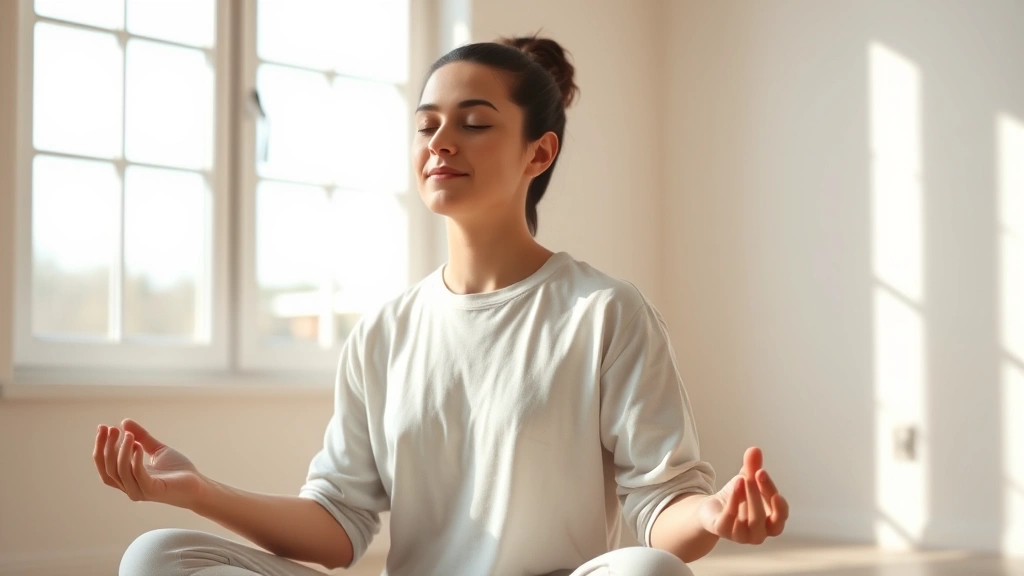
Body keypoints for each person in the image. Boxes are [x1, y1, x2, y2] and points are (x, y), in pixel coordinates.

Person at [94, 35, 788, 576]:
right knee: (157, 557)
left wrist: (716, 513)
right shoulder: (383, 334)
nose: (440, 143)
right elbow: (338, 529)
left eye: (475, 123)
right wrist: (197, 491)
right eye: (427, 125)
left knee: (650, 569)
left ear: (537, 153)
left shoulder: (604, 312)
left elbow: (661, 510)